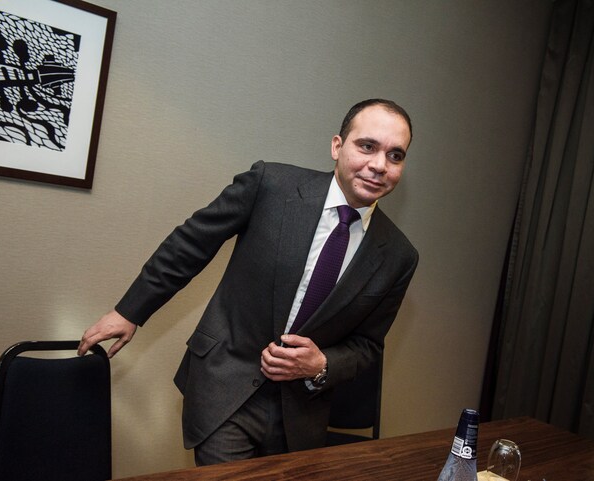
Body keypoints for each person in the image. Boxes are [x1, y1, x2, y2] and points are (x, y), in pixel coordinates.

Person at [78, 98, 419, 465]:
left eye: (395, 155)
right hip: (226, 384)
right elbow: (191, 245)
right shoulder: (271, 184)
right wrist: (130, 311)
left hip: (300, 414)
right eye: (367, 146)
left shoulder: (399, 256)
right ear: (337, 146)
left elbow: (368, 345)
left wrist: (321, 364)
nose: (379, 165)